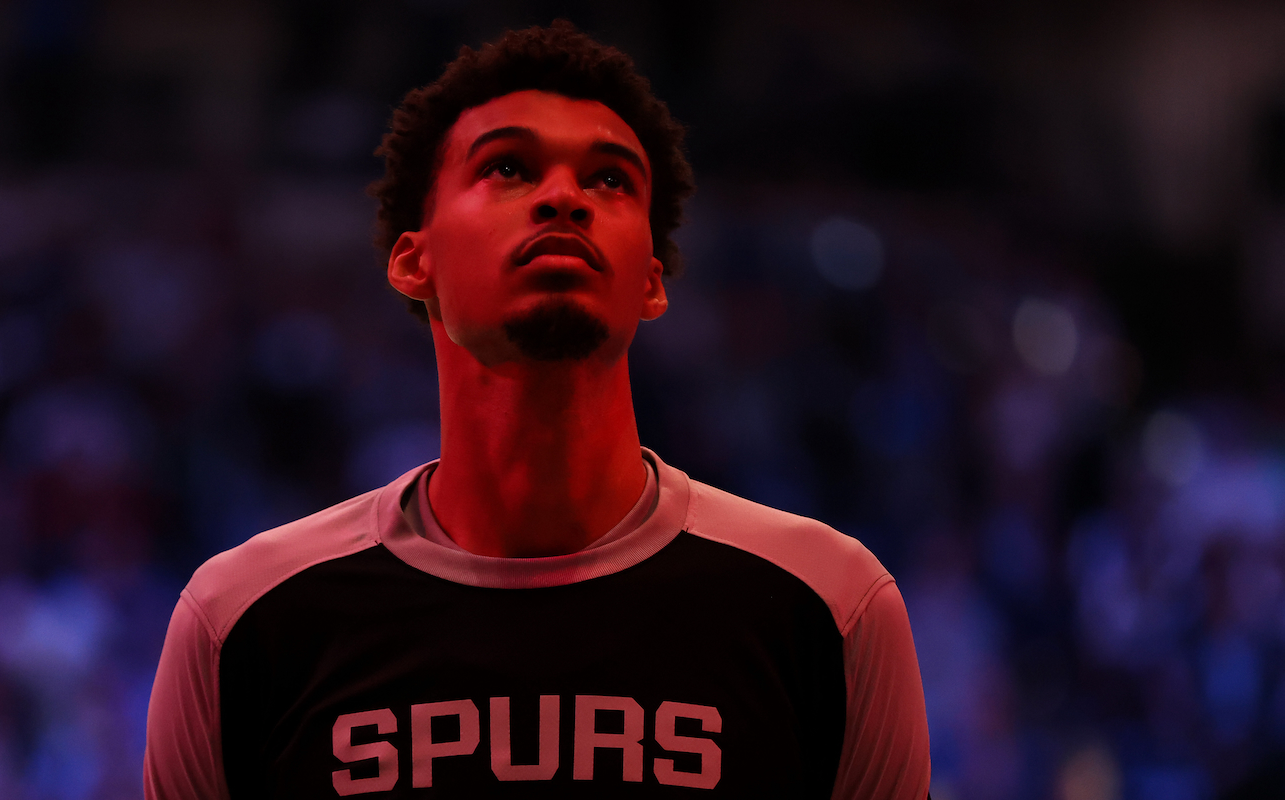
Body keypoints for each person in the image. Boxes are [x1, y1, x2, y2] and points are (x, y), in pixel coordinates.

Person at [145, 21, 930, 799]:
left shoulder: (831, 607)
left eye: (610, 180)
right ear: (413, 261)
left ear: (652, 281)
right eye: (511, 167)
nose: (564, 198)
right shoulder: (243, 621)